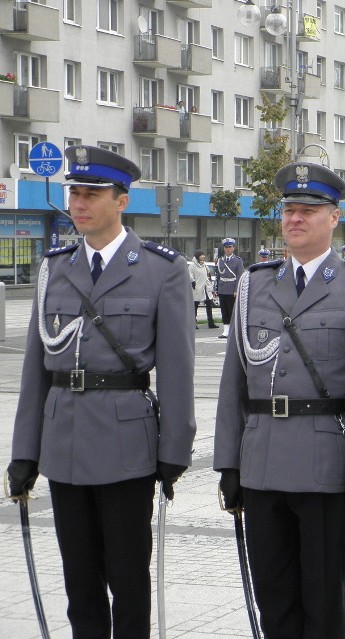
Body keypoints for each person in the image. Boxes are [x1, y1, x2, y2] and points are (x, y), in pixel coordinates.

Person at [6, 145, 196, 638]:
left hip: (126, 448)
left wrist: (174, 449)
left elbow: (178, 370)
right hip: (64, 443)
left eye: (93, 193)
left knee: (128, 581)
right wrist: (25, 452)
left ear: (122, 200)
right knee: (79, 584)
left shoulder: (160, 269)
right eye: (75, 193)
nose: (80, 203)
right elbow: (35, 369)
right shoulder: (55, 267)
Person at [214, 161, 345, 639]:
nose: (295, 218)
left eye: (308, 210)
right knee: (273, 599)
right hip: (263, 464)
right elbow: (234, 384)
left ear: (334, 218)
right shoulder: (254, 284)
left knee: (323, 603)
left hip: (326, 470)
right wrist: (228, 465)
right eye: (289, 209)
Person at [215, 237, 244, 339]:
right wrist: (216, 289)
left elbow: (240, 276)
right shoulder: (220, 261)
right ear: (224, 248)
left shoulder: (238, 261)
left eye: (230, 247)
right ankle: (225, 331)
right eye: (226, 247)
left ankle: (233, 331)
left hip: (232, 290)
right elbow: (218, 276)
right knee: (224, 310)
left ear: (233, 248)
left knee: (232, 310)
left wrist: (237, 289)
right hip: (223, 288)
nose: (228, 249)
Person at [188, 249, 218, 329]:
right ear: (198, 256)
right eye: (201, 255)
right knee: (195, 306)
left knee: (209, 304)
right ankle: (193, 323)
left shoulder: (204, 265)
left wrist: (209, 280)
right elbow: (189, 274)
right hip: (197, 288)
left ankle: (211, 323)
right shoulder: (192, 265)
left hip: (205, 288)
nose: (203, 256)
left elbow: (208, 273)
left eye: (203, 255)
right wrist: (193, 281)